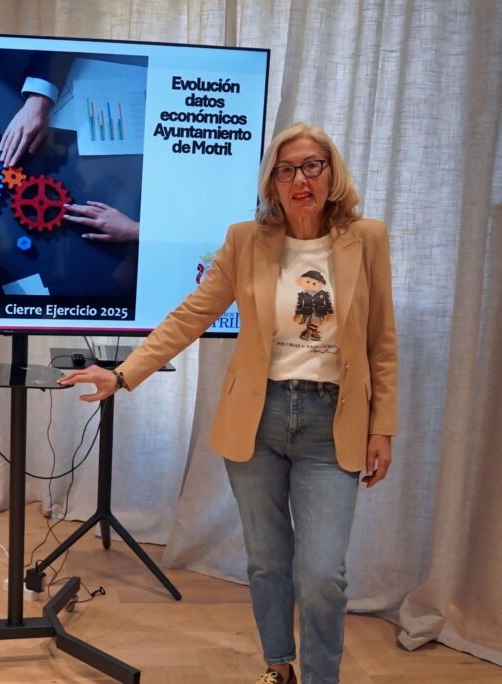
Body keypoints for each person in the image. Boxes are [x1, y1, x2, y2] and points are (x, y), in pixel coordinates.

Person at [59, 122, 397, 684]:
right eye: (286, 171)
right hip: (258, 421)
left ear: (331, 173)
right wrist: (123, 374)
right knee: (266, 561)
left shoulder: (367, 238)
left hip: (332, 423)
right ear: (272, 183)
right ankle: (278, 667)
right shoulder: (246, 240)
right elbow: (192, 315)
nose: (300, 180)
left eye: (311, 166)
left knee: (322, 575)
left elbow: (382, 340)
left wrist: (382, 426)